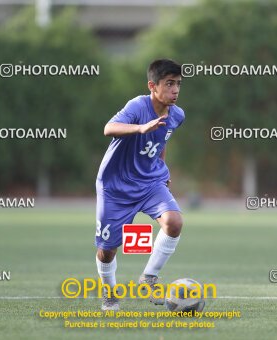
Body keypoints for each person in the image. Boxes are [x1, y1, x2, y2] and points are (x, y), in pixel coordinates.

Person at [94, 59, 185, 310]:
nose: (175, 90)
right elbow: (108, 128)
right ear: (152, 86)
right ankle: (109, 293)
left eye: (178, 84)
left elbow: (162, 139)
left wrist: (162, 170)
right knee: (107, 250)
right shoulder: (137, 105)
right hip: (115, 186)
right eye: (169, 84)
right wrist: (140, 127)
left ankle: (148, 277)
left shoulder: (177, 115)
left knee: (174, 222)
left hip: (149, 182)